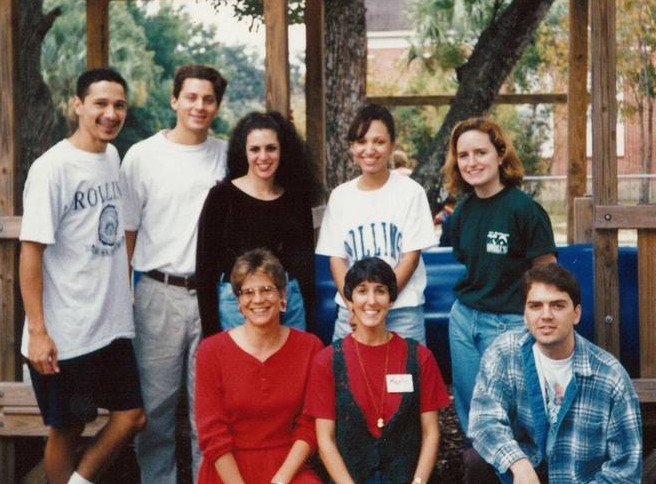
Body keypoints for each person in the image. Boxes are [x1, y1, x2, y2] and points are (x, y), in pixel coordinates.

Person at [19, 68, 147, 484]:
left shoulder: (113, 156)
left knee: (131, 416)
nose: (110, 114)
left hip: (110, 322)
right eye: (100, 104)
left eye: (118, 105)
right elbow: (30, 251)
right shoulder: (52, 168)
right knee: (67, 430)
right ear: (77, 105)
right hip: (64, 328)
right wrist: (38, 331)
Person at [120, 64, 228, 484]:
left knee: (206, 411)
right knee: (158, 412)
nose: (198, 106)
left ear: (217, 105)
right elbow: (127, 232)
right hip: (157, 292)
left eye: (207, 99)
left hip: (211, 296)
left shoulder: (228, 156)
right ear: (174, 100)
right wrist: (123, 296)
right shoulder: (142, 156)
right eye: (190, 97)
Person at [467, 262, 642, 484]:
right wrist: (520, 467)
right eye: (535, 306)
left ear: (576, 314)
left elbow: (627, 466)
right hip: (529, 480)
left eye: (557, 305)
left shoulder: (610, 376)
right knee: (477, 462)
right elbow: (483, 421)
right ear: (524, 314)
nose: (545, 315)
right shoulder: (504, 352)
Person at [194, 249, 342, 484]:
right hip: (229, 471)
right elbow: (212, 435)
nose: (258, 299)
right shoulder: (211, 352)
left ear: (283, 296)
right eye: (248, 292)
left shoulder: (310, 347)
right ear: (238, 302)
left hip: (288, 465)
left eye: (267, 289)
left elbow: (310, 424)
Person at [305, 258, 450, 484]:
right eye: (362, 290)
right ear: (349, 300)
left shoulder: (419, 357)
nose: (371, 301)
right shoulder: (327, 361)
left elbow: (431, 432)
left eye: (380, 290)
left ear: (391, 300)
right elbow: (325, 439)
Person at [442, 117, 557, 434]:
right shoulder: (462, 211)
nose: (471, 162)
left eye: (480, 152)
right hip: (464, 320)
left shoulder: (524, 210)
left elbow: (547, 277)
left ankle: (518, 476)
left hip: (508, 322)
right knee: (470, 405)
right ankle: (477, 472)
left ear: (500, 154)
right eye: (463, 155)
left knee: (512, 410)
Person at [316, 104, 436, 343]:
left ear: (392, 145)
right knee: (347, 379)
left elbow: (410, 258)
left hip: (402, 311)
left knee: (405, 379)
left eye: (379, 142)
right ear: (352, 146)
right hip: (351, 312)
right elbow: (336, 259)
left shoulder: (411, 192)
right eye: (361, 141)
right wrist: (354, 305)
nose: (369, 150)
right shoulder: (341, 196)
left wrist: (379, 303)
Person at [196, 111, 317, 335]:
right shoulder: (221, 197)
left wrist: (311, 322)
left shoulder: (295, 199)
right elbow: (205, 270)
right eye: (255, 149)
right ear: (244, 152)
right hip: (236, 305)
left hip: (289, 304)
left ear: (283, 150)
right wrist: (211, 332)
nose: (263, 156)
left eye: (271, 148)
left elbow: (306, 268)